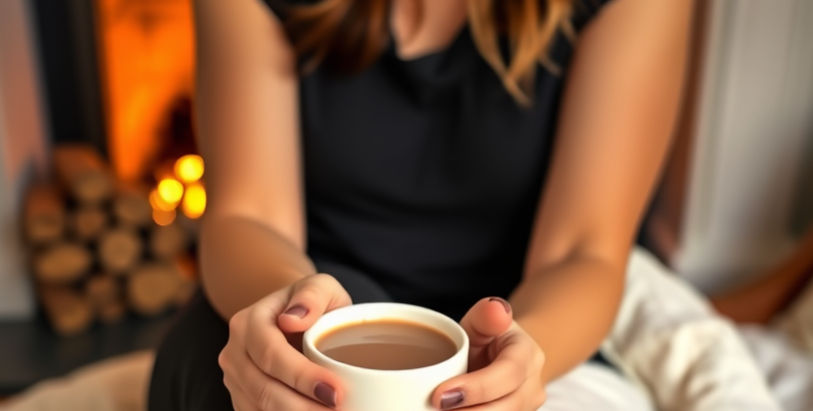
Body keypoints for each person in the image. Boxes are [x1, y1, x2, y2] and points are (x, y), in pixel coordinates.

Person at [149, 0, 693, 409]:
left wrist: (515, 362)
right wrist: (293, 312)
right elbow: (248, 214)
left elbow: (583, 252)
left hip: (521, 324)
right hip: (309, 301)